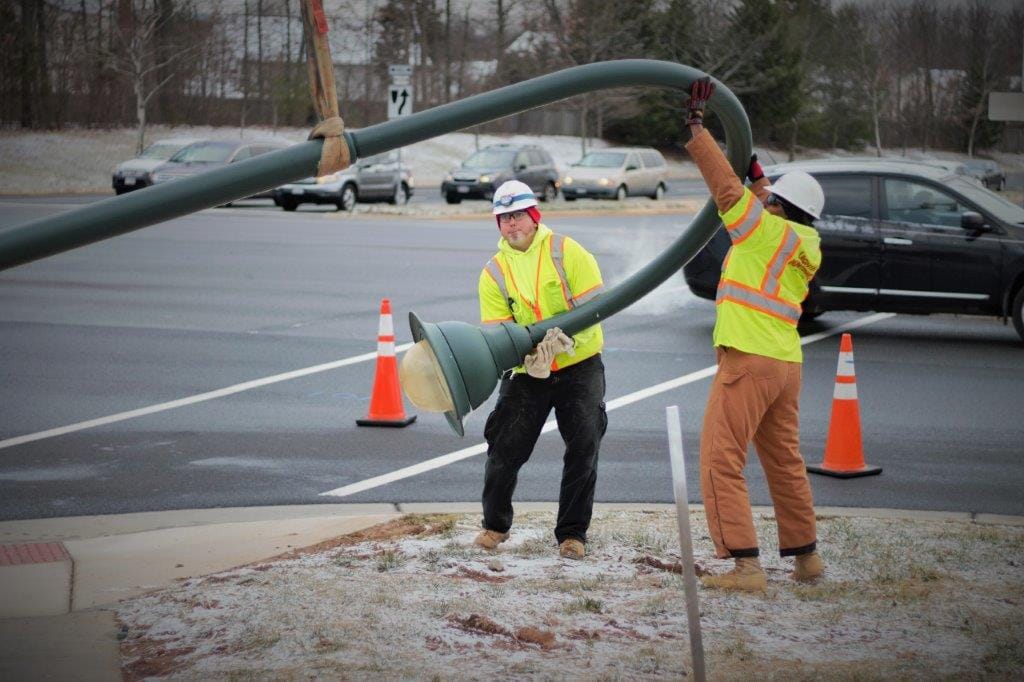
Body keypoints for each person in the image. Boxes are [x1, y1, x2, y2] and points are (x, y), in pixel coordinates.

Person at [685, 77, 826, 591]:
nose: (763, 202)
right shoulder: (805, 241)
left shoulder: (763, 229)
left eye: (770, 199)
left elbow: (726, 190)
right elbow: (763, 203)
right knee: (785, 462)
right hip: (785, 365)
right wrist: (762, 178)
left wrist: (698, 133)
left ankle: (745, 566)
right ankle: (806, 558)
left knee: (720, 458)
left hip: (747, 363)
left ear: (781, 208)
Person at [473, 179, 608, 560]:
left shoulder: (568, 252)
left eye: (517, 216)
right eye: (504, 218)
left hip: (579, 365)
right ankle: (495, 526)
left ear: (534, 216)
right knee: (504, 447)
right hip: (529, 372)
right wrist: (528, 360)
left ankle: (572, 535)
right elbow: (499, 332)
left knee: (584, 446)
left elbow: (596, 310)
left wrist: (566, 342)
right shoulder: (494, 272)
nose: (512, 225)